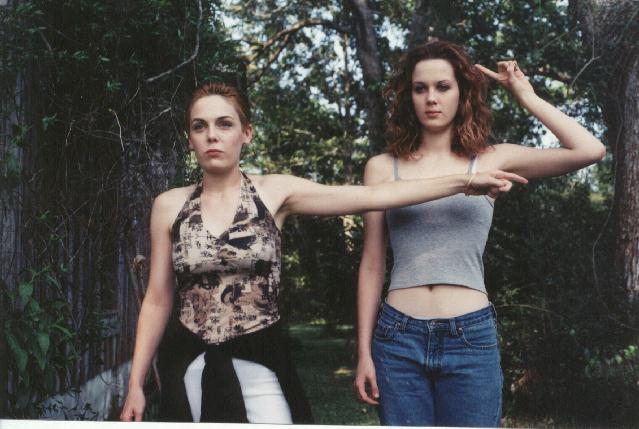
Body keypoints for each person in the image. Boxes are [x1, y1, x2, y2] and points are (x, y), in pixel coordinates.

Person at [119, 81, 527, 423]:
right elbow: (157, 298)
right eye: (200, 126)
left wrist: (463, 182)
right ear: (190, 138)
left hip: (262, 359)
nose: (212, 135)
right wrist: (136, 383)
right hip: (188, 361)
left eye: (224, 124)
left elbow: (372, 196)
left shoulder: (275, 192)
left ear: (246, 133)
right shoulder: (169, 206)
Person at [353, 40, 606, 427]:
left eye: (443, 86)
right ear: (408, 97)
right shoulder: (382, 167)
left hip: (469, 337)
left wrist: (525, 95)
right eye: (420, 89)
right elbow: (372, 263)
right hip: (398, 338)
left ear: (462, 92)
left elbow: (590, 150)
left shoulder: (492, 159)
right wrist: (364, 352)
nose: (431, 98)